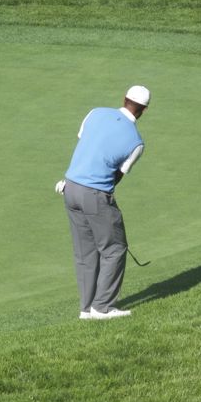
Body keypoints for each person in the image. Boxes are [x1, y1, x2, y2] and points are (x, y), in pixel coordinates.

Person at [55, 85, 151, 320]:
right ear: (144, 110)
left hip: (69, 187)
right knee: (114, 249)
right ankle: (103, 307)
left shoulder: (95, 112)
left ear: (124, 99)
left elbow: (85, 146)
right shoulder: (136, 143)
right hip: (95, 195)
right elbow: (117, 176)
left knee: (85, 252)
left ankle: (86, 309)